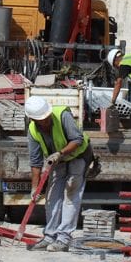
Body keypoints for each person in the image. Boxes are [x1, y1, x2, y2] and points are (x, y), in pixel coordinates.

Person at [24, 95, 91, 252]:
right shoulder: (33, 131)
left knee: (71, 193)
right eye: (43, 120)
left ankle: (64, 238)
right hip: (58, 161)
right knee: (52, 197)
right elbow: (35, 161)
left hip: (78, 156)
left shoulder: (62, 115)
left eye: (47, 117)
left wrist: (60, 153)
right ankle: (50, 236)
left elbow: (77, 139)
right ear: (33, 120)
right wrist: (35, 188)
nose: (46, 121)